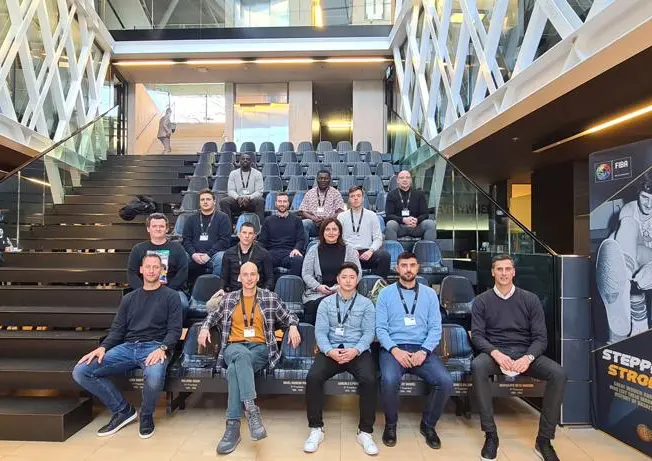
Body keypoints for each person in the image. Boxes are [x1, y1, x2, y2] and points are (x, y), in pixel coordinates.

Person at [72, 254, 182, 439]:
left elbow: (175, 330)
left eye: (156, 267)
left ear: (162, 270)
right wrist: (103, 347)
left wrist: (163, 348)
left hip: (155, 347)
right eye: (148, 267)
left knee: (154, 376)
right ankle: (123, 411)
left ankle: (146, 416)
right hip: (128, 347)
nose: (152, 270)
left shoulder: (171, 296)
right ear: (141, 270)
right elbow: (117, 329)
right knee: (81, 371)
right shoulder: (129, 298)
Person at [197, 262, 301, 454]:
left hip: (260, 349)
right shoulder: (229, 299)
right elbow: (212, 316)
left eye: (253, 274)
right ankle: (252, 411)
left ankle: (232, 428)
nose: (249, 278)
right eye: (245, 274)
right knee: (241, 356)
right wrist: (204, 327)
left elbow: (290, 315)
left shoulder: (270, 298)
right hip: (233, 347)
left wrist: (293, 326)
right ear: (240, 277)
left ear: (258, 277)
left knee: (235, 369)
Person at [471, 254, 566, 461]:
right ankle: (491, 435)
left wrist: (528, 358)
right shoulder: (481, 301)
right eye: (499, 269)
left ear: (513, 272)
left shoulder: (530, 299)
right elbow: (477, 335)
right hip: (496, 353)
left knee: (558, 373)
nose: (504, 273)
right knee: (477, 366)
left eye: (507, 269)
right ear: (493, 272)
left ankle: (544, 440)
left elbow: (541, 338)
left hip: (525, 353)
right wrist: (496, 353)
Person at [376, 251, 453, 450]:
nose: (408, 269)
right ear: (397, 268)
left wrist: (424, 351)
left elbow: (435, 328)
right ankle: (391, 425)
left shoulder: (429, 294)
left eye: (412, 265)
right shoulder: (385, 293)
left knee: (445, 381)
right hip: (393, 349)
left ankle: (428, 425)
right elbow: (380, 329)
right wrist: (395, 350)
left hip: (422, 349)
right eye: (404, 265)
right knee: (389, 380)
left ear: (418, 267)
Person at [304, 263, 378, 455]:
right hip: (332, 351)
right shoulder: (325, 303)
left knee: (370, 379)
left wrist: (356, 350)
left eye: (352, 277)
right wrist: (329, 351)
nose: (348, 281)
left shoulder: (366, 304)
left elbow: (369, 333)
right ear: (337, 279)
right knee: (313, 377)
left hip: (357, 351)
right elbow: (320, 332)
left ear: (357, 280)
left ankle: (365, 432)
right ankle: (316, 429)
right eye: (344, 277)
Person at [596, 173, 652, 344]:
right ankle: (623, 276)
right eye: (645, 197)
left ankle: (622, 278)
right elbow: (623, 240)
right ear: (638, 194)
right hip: (632, 259)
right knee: (623, 229)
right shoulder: (629, 209)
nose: (649, 204)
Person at [301, 218, 361, 325]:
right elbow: (306, 274)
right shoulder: (314, 250)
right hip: (317, 293)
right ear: (322, 232)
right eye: (327, 229)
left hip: (343, 290)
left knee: (328, 304)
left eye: (334, 229)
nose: (331, 232)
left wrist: (342, 287)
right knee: (317, 305)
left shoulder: (349, 250)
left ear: (339, 232)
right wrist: (318, 286)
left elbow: (358, 273)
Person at [127, 213, 189, 311]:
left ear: (167, 229)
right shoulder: (138, 249)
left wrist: (166, 291)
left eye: (161, 226)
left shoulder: (177, 248)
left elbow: (183, 272)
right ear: (148, 229)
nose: (158, 229)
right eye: (154, 226)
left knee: (182, 304)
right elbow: (131, 273)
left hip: (172, 289)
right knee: (129, 303)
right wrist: (144, 290)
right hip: (145, 289)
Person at [338, 185, 390, 278]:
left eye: (358, 196)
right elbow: (339, 238)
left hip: (367, 252)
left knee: (385, 256)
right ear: (349, 199)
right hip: (348, 252)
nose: (355, 198)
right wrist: (350, 249)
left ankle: (378, 283)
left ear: (363, 198)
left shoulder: (372, 215)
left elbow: (378, 238)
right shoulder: (341, 216)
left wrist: (371, 251)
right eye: (352, 196)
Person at [182, 189, 231, 284]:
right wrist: (193, 254)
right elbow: (186, 240)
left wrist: (209, 255)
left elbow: (224, 241)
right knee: (182, 256)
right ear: (199, 203)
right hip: (194, 254)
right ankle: (184, 288)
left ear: (214, 201)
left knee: (221, 257)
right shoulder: (191, 219)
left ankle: (217, 287)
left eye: (208, 199)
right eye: (202, 199)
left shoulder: (223, 218)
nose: (205, 202)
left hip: (214, 255)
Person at [258, 192, 306, 276]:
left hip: (290, 253)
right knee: (261, 259)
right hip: (272, 253)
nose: (282, 204)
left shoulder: (297, 220)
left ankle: (292, 283)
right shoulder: (268, 220)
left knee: (298, 260)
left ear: (288, 203)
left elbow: (301, 239)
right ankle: (269, 283)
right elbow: (262, 241)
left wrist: (296, 249)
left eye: (284, 201)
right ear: (276, 203)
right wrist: (262, 252)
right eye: (280, 201)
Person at [221, 222, 274, 292]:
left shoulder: (264, 254)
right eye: (244, 232)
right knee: (215, 299)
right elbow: (223, 278)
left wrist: (265, 291)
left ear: (254, 236)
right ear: (239, 234)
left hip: (256, 293)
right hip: (234, 292)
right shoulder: (228, 254)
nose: (247, 236)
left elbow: (270, 278)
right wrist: (221, 289)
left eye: (250, 233)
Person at [384, 170, 436, 242]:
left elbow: (425, 214)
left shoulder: (419, 194)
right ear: (397, 181)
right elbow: (389, 215)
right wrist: (403, 220)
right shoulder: (391, 195)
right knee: (390, 224)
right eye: (402, 178)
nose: (405, 180)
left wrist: (416, 220)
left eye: (407, 177)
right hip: (400, 226)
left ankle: (428, 248)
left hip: (416, 226)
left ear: (411, 180)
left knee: (430, 224)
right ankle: (393, 248)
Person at [299, 170, 345, 240]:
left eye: (326, 178)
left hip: (330, 224)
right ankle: (303, 247)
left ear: (329, 180)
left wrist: (328, 219)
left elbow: (340, 211)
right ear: (317, 179)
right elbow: (302, 211)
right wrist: (313, 218)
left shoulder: (335, 193)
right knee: (304, 223)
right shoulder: (310, 193)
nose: (323, 180)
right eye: (320, 178)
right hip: (314, 224)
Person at [219, 153, 265, 224]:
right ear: (239, 161)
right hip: (237, 201)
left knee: (260, 201)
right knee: (224, 202)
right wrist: (237, 197)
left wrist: (249, 197)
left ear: (251, 162)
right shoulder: (233, 173)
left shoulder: (257, 174)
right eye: (243, 159)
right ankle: (228, 227)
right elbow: (230, 190)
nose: (245, 160)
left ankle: (259, 227)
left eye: (247, 159)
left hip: (251, 201)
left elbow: (259, 192)